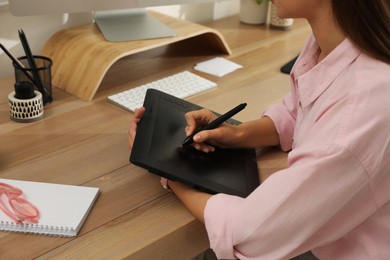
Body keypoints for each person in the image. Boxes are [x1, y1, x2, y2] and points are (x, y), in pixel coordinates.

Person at [128, 0, 390, 258]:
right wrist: (237, 134)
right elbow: (299, 109)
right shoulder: (332, 43)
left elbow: (251, 234)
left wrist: (167, 171)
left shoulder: (361, 107)